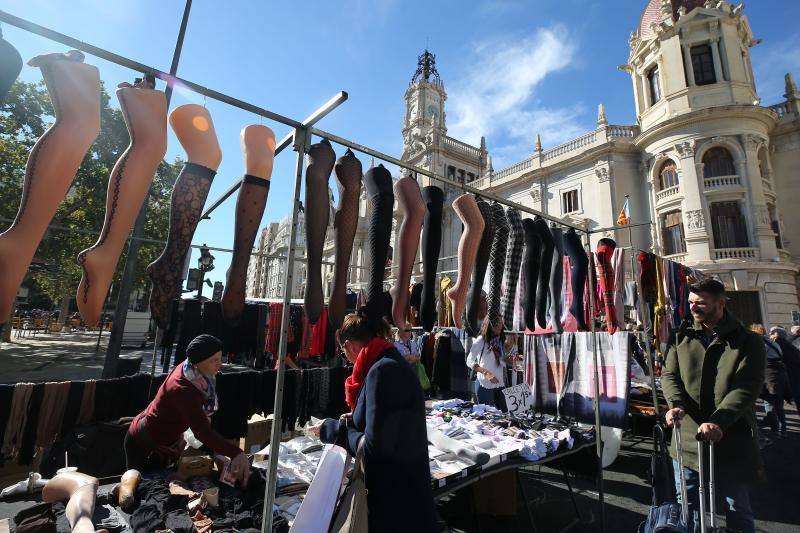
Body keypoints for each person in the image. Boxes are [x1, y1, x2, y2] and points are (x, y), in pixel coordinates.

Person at [310, 310, 437, 533]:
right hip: (404, 497)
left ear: (348, 345)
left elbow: (374, 450)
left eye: (343, 353)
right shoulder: (387, 363)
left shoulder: (382, 370)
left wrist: (333, 429)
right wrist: (358, 419)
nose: (346, 359)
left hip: (396, 508)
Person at [662, 279, 765, 533]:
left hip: (732, 438)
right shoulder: (680, 336)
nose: (693, 308)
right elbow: (669, 375)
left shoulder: (748, 341)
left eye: (700, 303)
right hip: (687, 440)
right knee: (688, 507)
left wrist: (719, 420)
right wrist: (675, 404)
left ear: (721, 304)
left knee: (736, 507)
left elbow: (747, 386)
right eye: (690, 303)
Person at [125, 334, 249, 484]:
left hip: (162, 442)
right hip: (143, 445)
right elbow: (202, 432)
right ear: (198, 362)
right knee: (140, 490)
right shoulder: (183, 389)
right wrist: (236, 453)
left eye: (220, 358)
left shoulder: (191, 370)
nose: (219, 364)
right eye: (214, 360)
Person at [751, 323, 790, 436]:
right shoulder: (774, 343)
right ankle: (783, 430)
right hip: (781, 376)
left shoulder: (759, 344)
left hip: (770, 377)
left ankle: (774, 430)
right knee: (779, 405)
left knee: (769, 403)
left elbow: (756, 359)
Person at [466, 318, 508, 411]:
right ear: (490, 325)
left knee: (505, 414)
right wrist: (486, 373)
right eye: (497, 323)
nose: (500, 326)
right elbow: (469, 360)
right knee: (489, 418)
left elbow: (498, 360)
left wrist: (508, 359)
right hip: (485, 385)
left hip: (500, 383)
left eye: (501, 323)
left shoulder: (499, 339)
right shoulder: (481, 340)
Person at [770, 326, 800, 419]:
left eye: (771, 333)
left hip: (790, 376)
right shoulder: (787, 343)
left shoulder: (778, 344)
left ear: (776, 334)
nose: (769, 335)